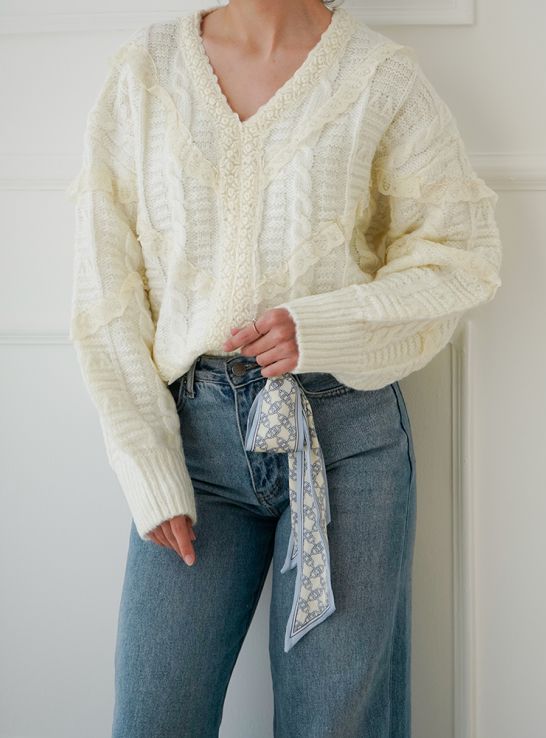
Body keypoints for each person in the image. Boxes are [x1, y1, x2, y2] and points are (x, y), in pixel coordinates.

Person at [66, 0, 502, 735]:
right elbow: (103, 291)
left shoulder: (380, 78)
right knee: (153, 718)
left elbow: (461, 256)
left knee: (334, 724)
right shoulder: (145, 71)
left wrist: (326, 327)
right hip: (192, 445)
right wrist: (147, 465)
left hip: (346, 439)